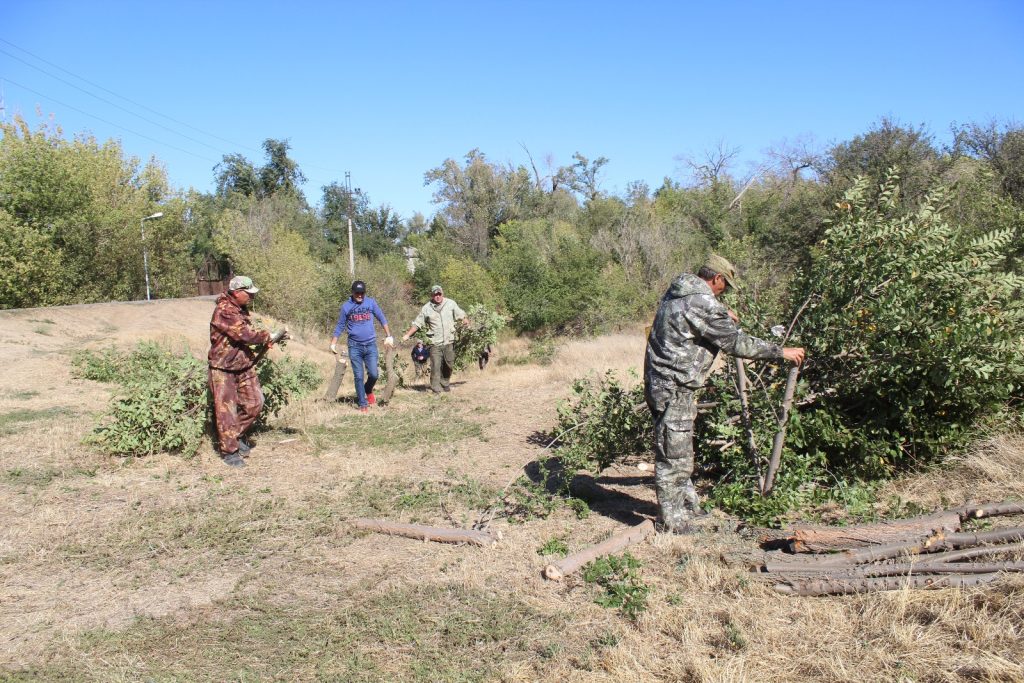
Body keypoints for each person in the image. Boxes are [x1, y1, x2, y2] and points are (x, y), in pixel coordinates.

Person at [644, 255, 805, 533]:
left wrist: (719, 311)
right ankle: (672, 522)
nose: (724, 291)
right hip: (674, 386)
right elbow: (735, 343)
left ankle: (687, 510)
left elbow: (696, 316)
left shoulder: (678, 293)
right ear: (716, 279)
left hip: (666, 383)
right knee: (673, 455)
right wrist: (781, 352)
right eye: (724, 286)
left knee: (680, 450)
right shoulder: (701, 302)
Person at [208, 275, 275, 468]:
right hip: (223, 368)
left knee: (255, 403)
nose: (251, 297)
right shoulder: (225, 311)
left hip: (242, 365)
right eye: (248, 293)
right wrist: (267, 336)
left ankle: (234, 436)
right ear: (237, 293)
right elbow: (245, 334)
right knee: (226, 411)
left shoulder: (239, 309)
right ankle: (229, 451)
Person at [330, 280, 393, 413]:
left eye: (362, 293)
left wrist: (388, 335)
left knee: (374, 374)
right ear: (352, 293)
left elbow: (381, 317)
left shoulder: (371, 302)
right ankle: (362, 403)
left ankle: (368, 389)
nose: (359, 295)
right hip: (354, 346)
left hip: (370, 345)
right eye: (357, 293)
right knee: (358, 375)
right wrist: (333, 342)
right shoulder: (346, 307)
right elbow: (340, 325)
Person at [401, 284, 470, 394]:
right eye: (435, 294)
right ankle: (436, 388)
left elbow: (460, 314)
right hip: (434, 343)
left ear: (442, 293)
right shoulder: (427, 308)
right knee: (436, 366)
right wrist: (407, 335)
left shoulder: (450, 303)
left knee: (449, 364)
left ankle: (445, 383)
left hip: (449, 340)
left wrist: (465, 320)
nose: (437, 296)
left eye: (439, 294)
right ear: (432, 295)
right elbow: (417, 323)